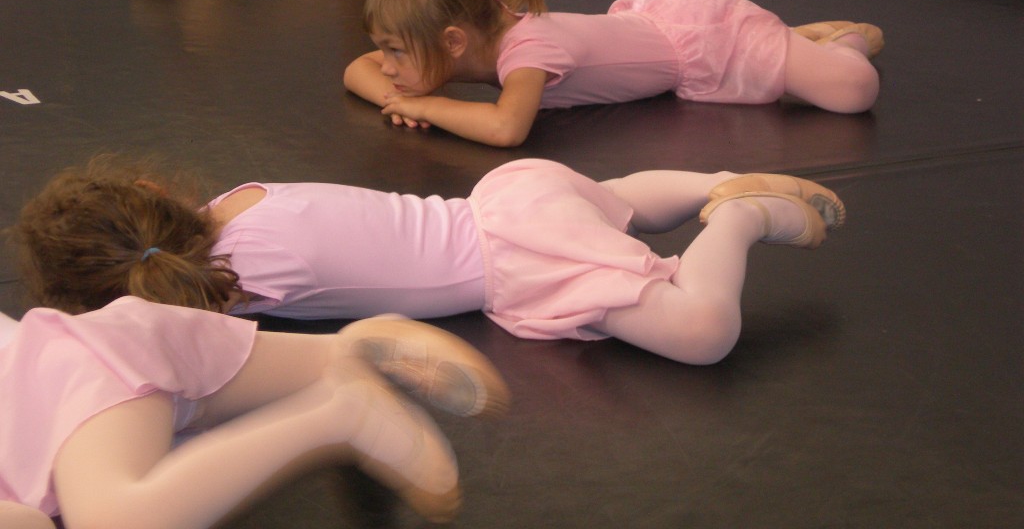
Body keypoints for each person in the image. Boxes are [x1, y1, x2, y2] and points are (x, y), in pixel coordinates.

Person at [14, 155, 846, 366]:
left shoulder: (222, 287)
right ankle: (711, 181)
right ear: (155, 192)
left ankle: (739, 218)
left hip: (514, 256)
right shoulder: (241, 195)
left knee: (701, 332)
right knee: (618, 195)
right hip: (508, 196)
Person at [0, 296, 510, 528]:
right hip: (97, 344)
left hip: (63, 391)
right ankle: (340, 354)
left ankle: (344, 416)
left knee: (114, 518)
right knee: (177, 421)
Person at [343, 0, 884, 147]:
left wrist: (426, 106)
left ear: (454, 42)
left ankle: (843, 42)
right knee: (819, 77)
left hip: (701, 39)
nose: (385, 66)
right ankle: (795, 39)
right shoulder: (471, 41)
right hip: (655, 27)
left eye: (395, 52)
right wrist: (397, 99)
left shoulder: (527, 51)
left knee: (854, 89)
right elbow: (355, 69)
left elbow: (506, 129)